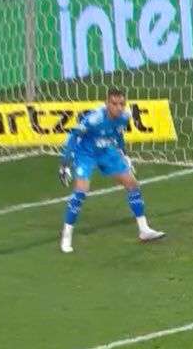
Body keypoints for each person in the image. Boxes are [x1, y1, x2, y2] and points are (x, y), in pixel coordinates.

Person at [58, 88, 166, 253]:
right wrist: (65, 164)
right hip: (86, 153)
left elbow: (118, 135)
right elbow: (74, 136)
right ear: (107, 103)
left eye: (122, 104)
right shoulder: (94, 119)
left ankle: (144, 230)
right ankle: (66, 235)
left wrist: (125, 155)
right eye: (114, 104)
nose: (118, 107)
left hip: (106, 150)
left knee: (132, 184)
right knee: (81, 190)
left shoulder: (124, 117)